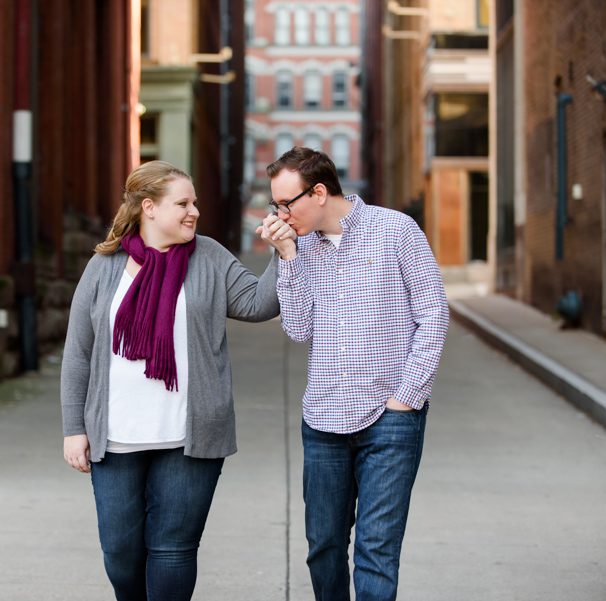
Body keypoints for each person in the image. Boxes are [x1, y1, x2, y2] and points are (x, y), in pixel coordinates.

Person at [61, 160, 295, 601]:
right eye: (183, 203)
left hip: (190, 434)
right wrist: (75, 428)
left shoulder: (208, 256)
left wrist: (282, 257)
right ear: (148, 207)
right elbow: (78, 351)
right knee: (120, 551)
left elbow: (258, 304)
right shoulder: (104, 265)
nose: (194, 212)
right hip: (115, 436)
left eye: (195, 203)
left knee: (172, 550)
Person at [259, 147, 450, 601]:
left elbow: (433, 315)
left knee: (376, 548)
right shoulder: (300, 247)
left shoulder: (395, 231)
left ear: (320, 192)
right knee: (323, 546)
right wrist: (287, 256)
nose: (280, 215)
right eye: (275, 206)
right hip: (323, 419)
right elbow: (299, 328)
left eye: (287, 204)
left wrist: (406, 397)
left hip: (390, 420)